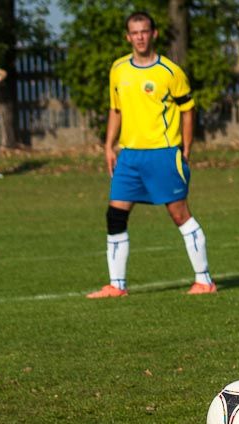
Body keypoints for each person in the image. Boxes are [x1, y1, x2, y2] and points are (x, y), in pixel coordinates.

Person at [87, 11, 215, 298]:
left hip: (163, 154)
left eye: (144, 31)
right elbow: (115, 109)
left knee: (179, 214)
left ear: (153, 34)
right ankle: (116, 285)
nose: (140, 37)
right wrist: (109, 146)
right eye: (134, 33)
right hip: (129, 157)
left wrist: (186, 149)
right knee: (115, 215)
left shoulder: (170, 72)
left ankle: (204, 280)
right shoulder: (118, 69)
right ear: (128, 37)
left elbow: (188, 110)